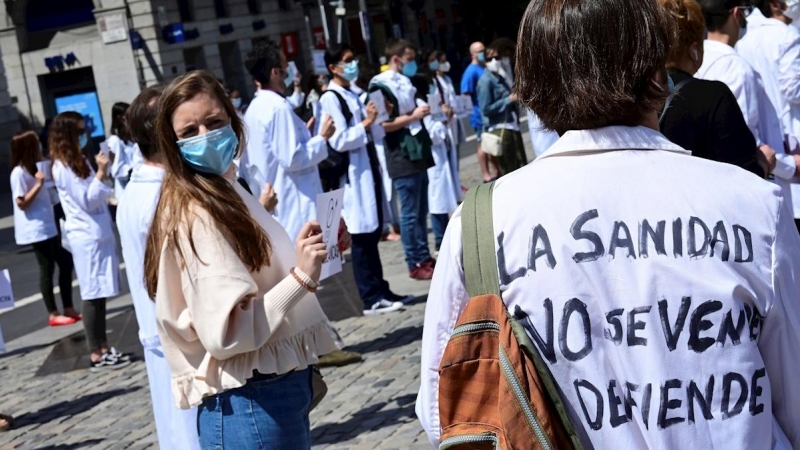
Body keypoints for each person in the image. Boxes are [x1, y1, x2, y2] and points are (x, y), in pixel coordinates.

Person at [418, 0, 800, 448]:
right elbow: (793, 392)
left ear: (535, 81)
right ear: (657, 70)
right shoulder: (754, 203)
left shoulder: (482, 221)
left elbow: (443, 405)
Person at [143, 69, 344, 449]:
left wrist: (309, 250)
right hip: (249, 399)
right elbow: (228, 331)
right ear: (173, 143)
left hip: (270, 391)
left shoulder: (227, 186)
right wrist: (301, 276)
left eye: (214, 122)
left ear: (232, 121)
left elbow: (257, 272)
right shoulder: (196, 209)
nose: (205, 136)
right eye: (189, 132)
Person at [116, 86, 201, 450]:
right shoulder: (159, 196)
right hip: (180, 333)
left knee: (179, 432)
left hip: (163, 333)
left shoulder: (141, 188)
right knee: (192, 433)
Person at [321, 43, 411, 315]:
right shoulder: (331, 98)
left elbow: (373, 130)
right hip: (351, 177)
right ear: (332, 67)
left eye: (353, 59)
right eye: (347, 61)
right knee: (360, 239)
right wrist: (366, 123)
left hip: (368, 169)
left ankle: (382, 288)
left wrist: (380, 115)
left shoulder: (355, 93)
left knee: (372, 234)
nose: (352, 65)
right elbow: (337, 140)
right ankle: (370, 297)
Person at [49, 111, 128, 371]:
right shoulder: (61, 167)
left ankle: (104, 346)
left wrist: (103, 173)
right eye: (80, 131)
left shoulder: (78, 159)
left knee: (102, 291)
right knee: (93, 292)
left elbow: (95, 195)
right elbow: (86, 199)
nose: (84, 136)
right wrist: (101, 173)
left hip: (98, 231)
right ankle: (96, 351)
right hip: (85, 235)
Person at [659, 0, 767, 177]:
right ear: (694, 49)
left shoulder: (635, 96)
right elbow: (745, 175)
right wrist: (764, 165)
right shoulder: (713, 97)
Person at [242, 39, 335, 240]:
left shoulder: (255, 107)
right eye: (285, 66)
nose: (289, 71)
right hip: (296, 207)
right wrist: (322, 137)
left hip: (280, 206)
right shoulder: (278, 108)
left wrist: (305, 136)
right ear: (275, 72)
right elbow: (292, 158)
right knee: (310, 266)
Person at [695, 0, 788, 176]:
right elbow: (744, 137)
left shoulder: (696, 59)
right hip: (740, 174)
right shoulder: (737, 68)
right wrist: (787, 166)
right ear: (737, 14)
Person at [370, 39, 436, 281]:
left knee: (420, 211)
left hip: (417, 150)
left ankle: (424, 255)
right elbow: (384, 124)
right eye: (408, 60)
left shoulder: (405, 81)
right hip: (400, 153)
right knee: (409, 213)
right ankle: (414, 260)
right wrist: (413, 116)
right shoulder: (379, 85)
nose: (412, 64)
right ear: (396, 59)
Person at [737, 0, 800, 232]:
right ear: (775, 4)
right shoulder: (788, 35)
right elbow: (793, 88)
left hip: (766, 142)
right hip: (791, 142)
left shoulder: (745, 39)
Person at [10, 130, 78, 326]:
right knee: (46, 268)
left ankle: (68, 306)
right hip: (35, 228)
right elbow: (21, 202)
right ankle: (53, 313)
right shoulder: (19, 173)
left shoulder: (37, 167)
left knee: (65, 262)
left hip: (49, 223)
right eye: (36, 144)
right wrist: (38, 184)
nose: (40, 147)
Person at [410, 74, 460, 254]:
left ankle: (446, 236)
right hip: (433, 157)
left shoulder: (426, 104)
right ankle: (440, 239)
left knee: (442, 197)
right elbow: (433, 133)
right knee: (437, 200)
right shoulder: (421, 106)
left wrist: (444, 119)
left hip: (440, 155)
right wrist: (442, 122)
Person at [477, 43, 528, 176]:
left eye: (496, 57)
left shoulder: (499, 76)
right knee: (510, 170)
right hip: (500, 128)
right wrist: (508, 100)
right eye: (489, 59)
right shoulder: (485, 81)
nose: (494, 61)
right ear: (484, 61)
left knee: (521, 165)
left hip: (511, 126)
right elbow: (486, 108)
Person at [461, 41, 498, 182]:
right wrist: (474, 113)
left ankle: (496, 170)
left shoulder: (484, 67)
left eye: (484, 49)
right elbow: (465, 95)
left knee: (491, 142)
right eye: (479, 51)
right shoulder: (470, 72)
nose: (483, 53)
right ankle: (486, 174)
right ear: (472, 54)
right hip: (479, 115)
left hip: (488, 113)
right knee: (482, 144)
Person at [431, 51, 467, 194]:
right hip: (446, 122)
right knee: (449, 154)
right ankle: (453, 184)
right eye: (443, 61)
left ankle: (457, 181)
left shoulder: (447, 79)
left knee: (455, 153)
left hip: (454, 118)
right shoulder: (435, 82)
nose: (446, 64)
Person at [107, 102, 141, 200]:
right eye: (128, 115)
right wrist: (135, 169)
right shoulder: (115, 140)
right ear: (119, 117)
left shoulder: (130, 138)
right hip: (126, 192)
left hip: (136, 189)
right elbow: (116, 171)